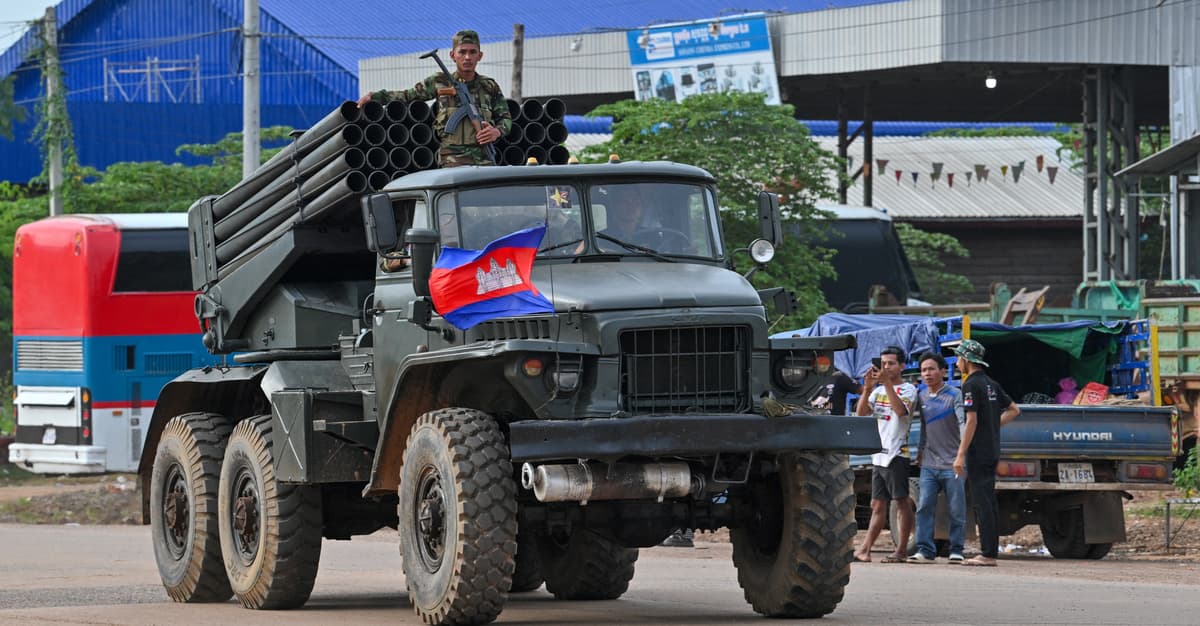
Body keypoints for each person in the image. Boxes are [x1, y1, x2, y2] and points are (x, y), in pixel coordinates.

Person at [358, 30, 511, 167]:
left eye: (472, 52)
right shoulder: (439, 81)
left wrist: (496, 132)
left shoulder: (489, 86)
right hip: (452, 158)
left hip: (484, 158)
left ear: (480, 56)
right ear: (453, 55)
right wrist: (375, 97)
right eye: (462, 52)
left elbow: (505, 119)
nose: (467, 57)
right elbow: (407, 96)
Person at [952, 339, 1021, 567]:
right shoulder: (991, 383)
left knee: (982, 503)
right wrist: (992, 425)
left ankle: (988, 554)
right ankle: (989, 550)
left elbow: (971, 420)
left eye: (959, 358)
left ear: (967, 360)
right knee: (988, 501)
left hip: (978, 452)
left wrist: (960, 454)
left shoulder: (970, 384)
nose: (957, 363)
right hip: (991, 449)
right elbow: (1014, 410)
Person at [853, 346, 918, 563]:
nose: (886, 367)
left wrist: (887, 383)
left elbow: (900, 412)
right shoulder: (877, 391)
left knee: (901, 501)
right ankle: (865, 549)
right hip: (878, 455)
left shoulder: (909, 389)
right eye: (883, 363)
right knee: (877, 504)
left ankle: (901, 550)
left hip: (897, 453)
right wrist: (867, 388)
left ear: (902, 366)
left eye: (890, 363)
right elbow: (861, 414)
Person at [907, 352, 967, 564]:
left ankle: (957, 549)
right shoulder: (921, 396)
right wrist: (920, 451)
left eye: (932, 369)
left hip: (953, 464)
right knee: (924, 507)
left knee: (956, 508)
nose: (927, 374)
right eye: (924, 370)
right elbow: (923, 427)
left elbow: (963, 424)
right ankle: (925, 550)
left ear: (943, 371)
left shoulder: (954, 394)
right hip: (929, 464)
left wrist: (961, 455)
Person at [806, 350, 861, 415]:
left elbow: (864, 390)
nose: (821, 363)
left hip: (834, 422)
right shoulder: (804, 379)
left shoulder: (839, 376)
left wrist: (859, 406)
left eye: (824, 360)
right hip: (811, 421)